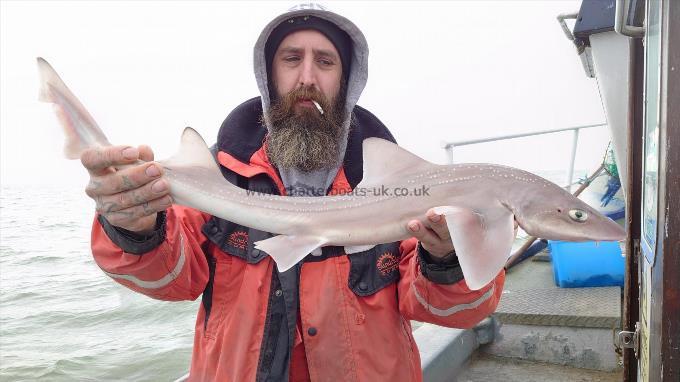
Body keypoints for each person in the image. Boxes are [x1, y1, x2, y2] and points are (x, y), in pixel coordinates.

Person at [81, 4, 507, 381]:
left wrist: (447, 259)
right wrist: (134, 228)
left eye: (324, 61)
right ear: (269, 74)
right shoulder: (220, 178)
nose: (306, 77)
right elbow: (167, 281)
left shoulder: (401, 185)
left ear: (347, 79)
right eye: (291, 59)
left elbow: (453, 311)